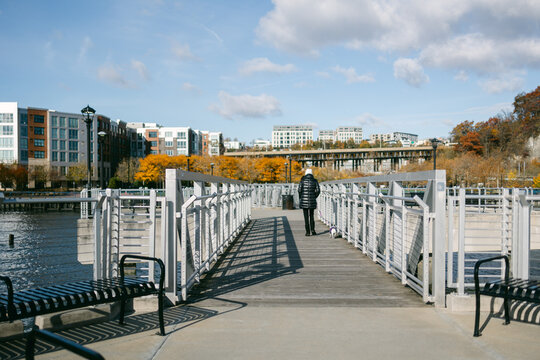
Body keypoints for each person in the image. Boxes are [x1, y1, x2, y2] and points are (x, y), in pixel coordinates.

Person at [298, 168, 320, 236]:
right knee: (312, 216)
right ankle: (313, 231)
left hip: (304, 201)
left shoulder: (302, 180)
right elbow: (318, 190)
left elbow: (299, 190)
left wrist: (301, 198)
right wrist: (314, 196)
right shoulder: (315, 180)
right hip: (312, 200)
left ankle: (307, 232)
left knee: (306, 217)